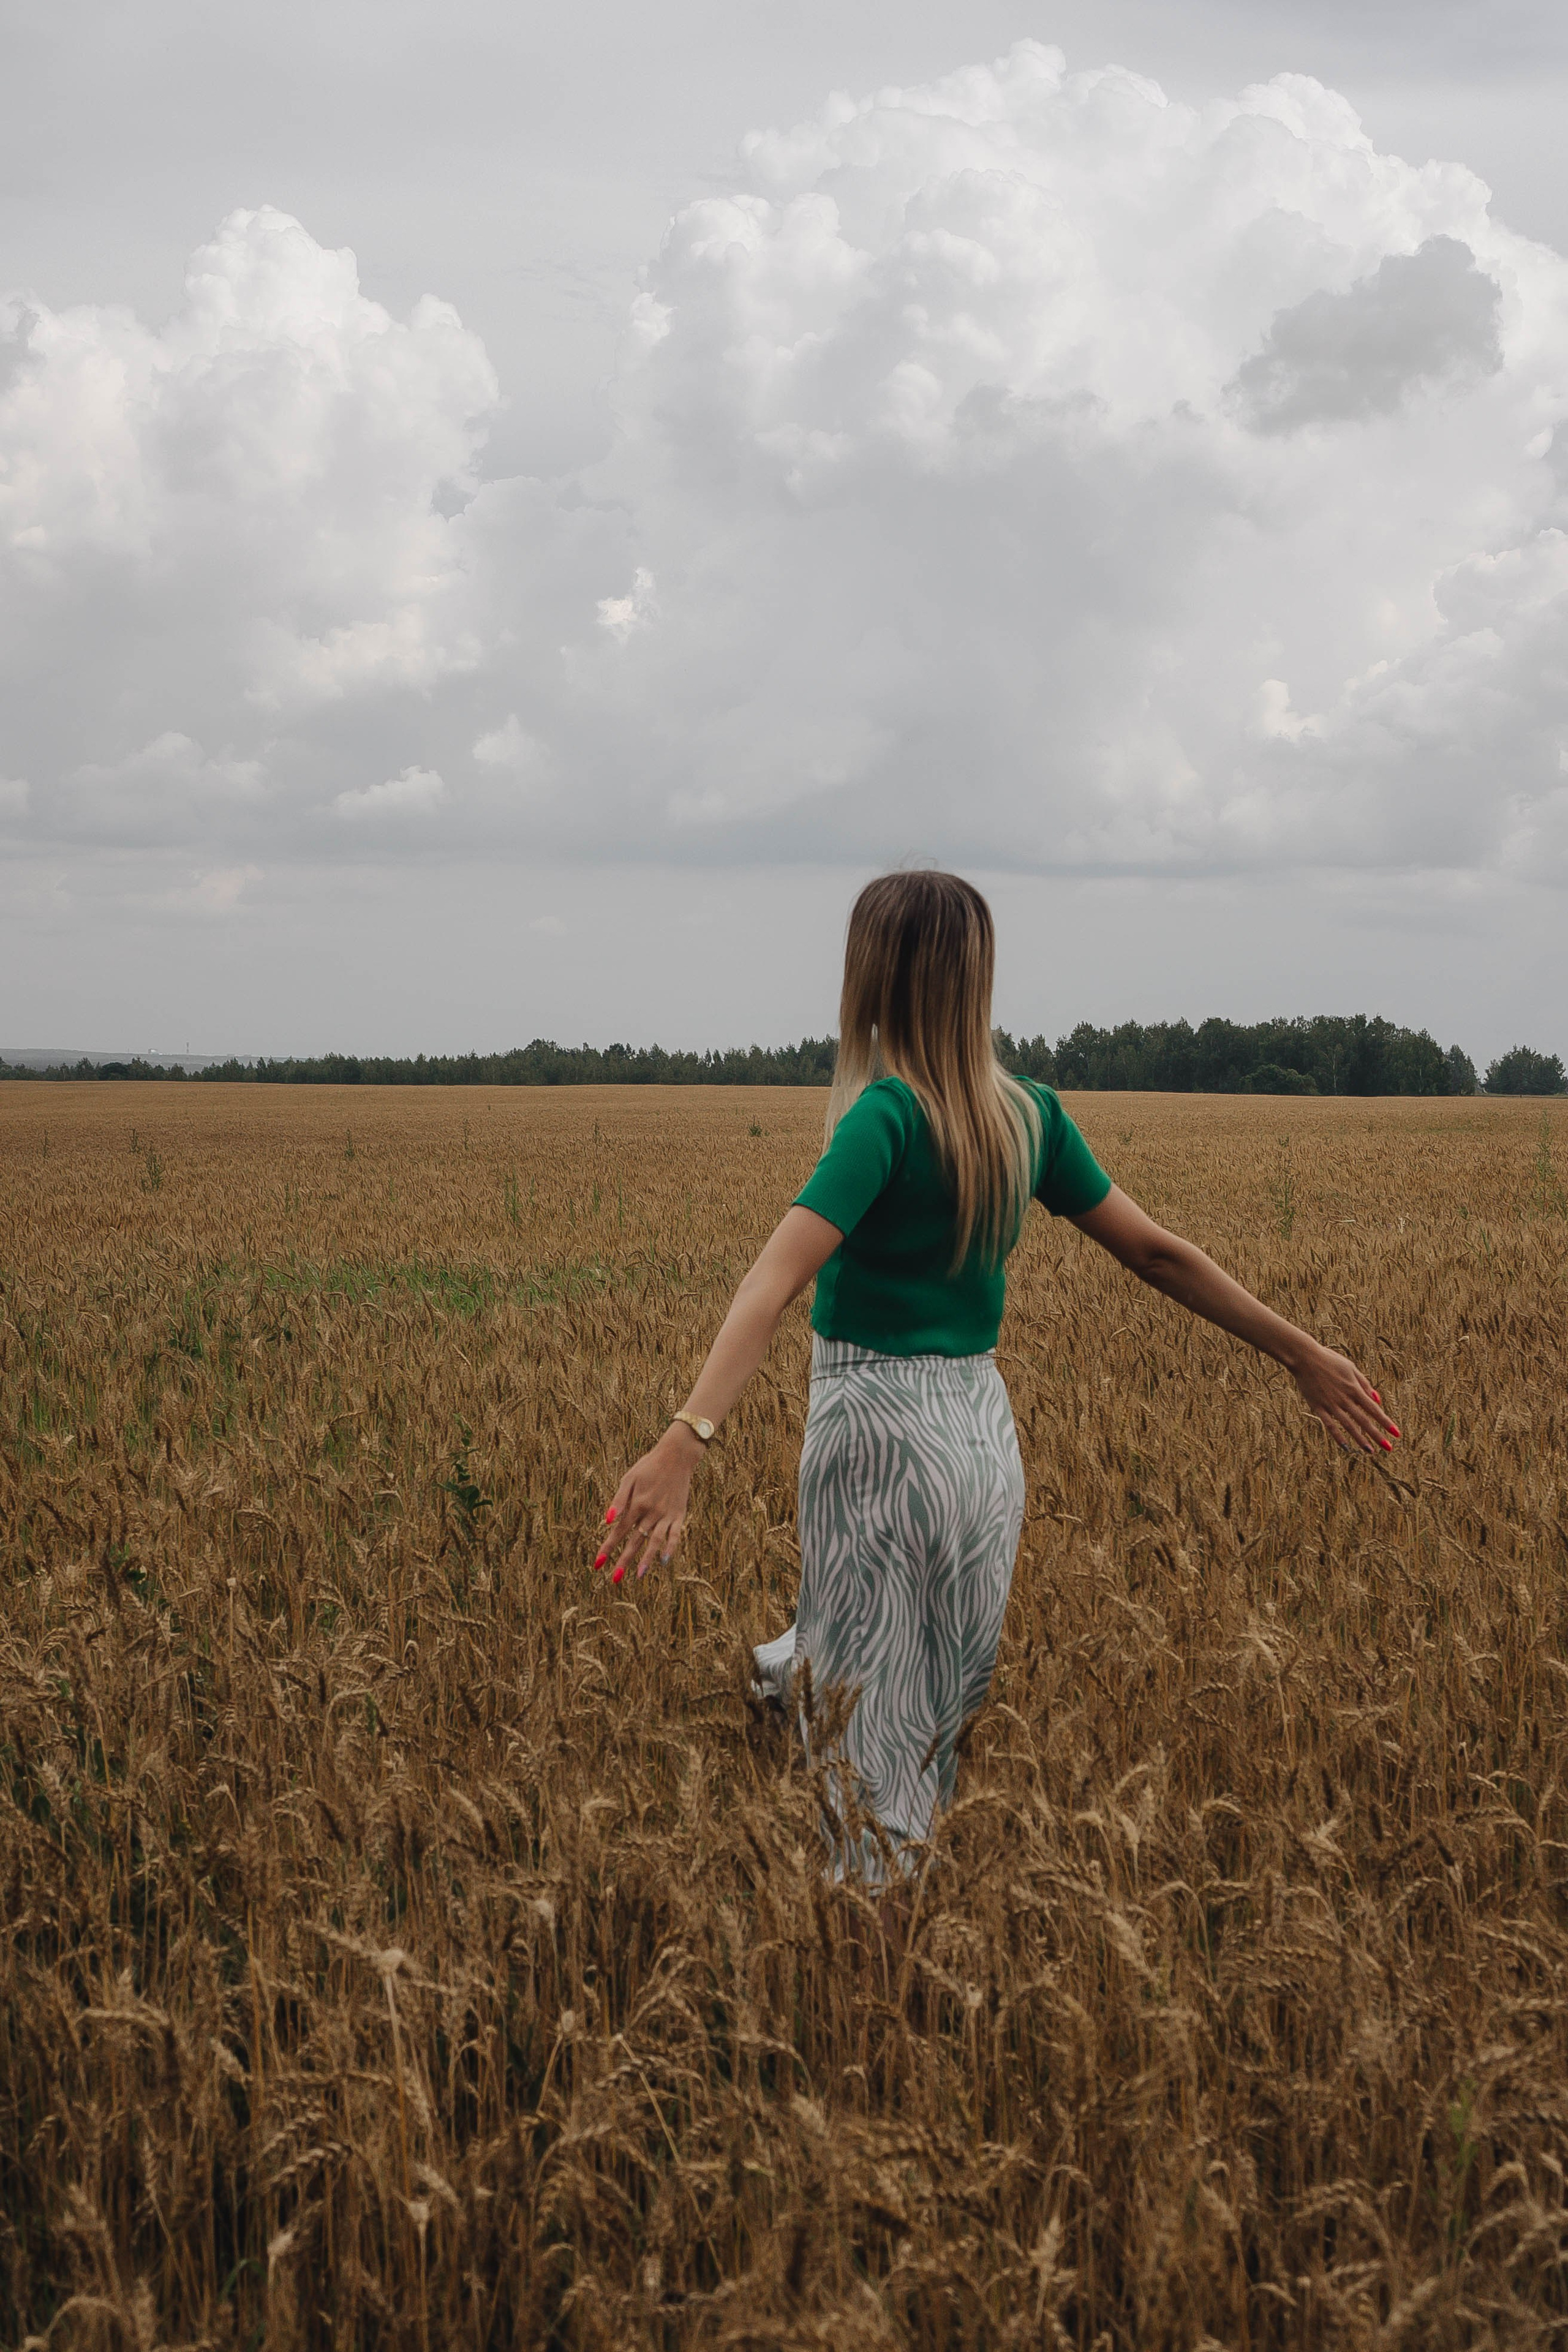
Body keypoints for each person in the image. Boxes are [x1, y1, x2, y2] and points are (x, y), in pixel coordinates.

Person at [594, 871, 1398, 1879]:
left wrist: (689, 1435)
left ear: (873, 981)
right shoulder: (1030, 1117)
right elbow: (1159, 1255)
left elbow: (771, 1284)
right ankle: (789, 1679)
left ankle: (869, 1922)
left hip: (875, 1434)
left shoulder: (886, 1116)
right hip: (981, 1445)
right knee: (924, 1703)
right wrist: (1301, 1353)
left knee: (870, 1767)